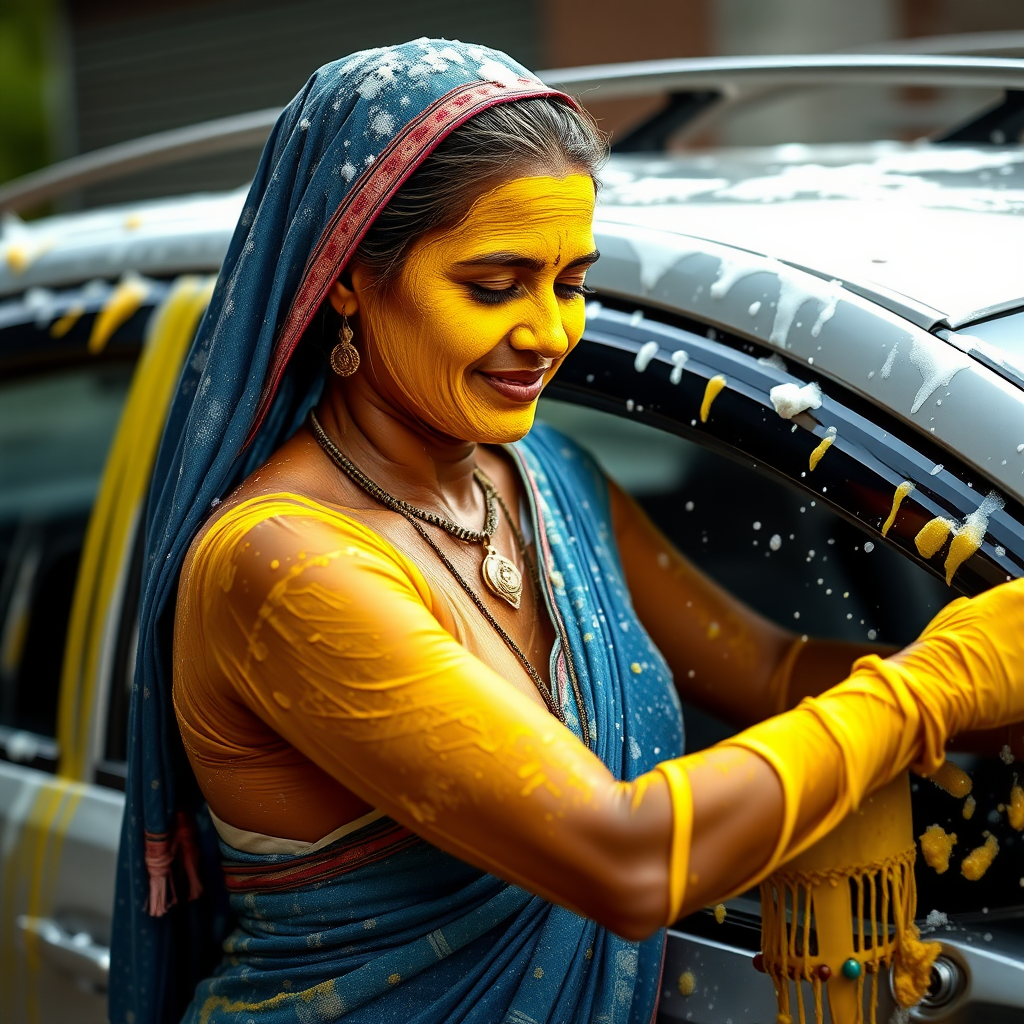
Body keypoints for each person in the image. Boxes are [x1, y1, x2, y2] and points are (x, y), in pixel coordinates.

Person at [110, 39, 1024, 1024]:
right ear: (347, 277)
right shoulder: (284, 568)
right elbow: (621, 857)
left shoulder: (543, 481)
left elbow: (765, 673)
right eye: (494, 286)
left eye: (570, 283)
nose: (550, 331)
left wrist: (992, 691)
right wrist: (932, 686)